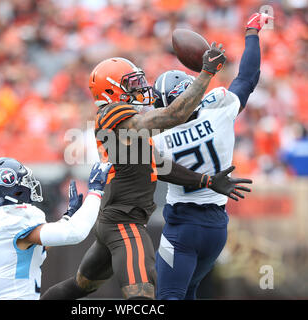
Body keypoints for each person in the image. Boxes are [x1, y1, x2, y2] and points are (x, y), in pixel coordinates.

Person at [41, 43, 252, 300]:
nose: (140, 87)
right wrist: (206, 73)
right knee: (143, 298)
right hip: (125, 223)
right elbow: (174, 114)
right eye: (130, 84)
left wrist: (207, 180)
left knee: (79, 286)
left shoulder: (129, 129)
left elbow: (160, 167)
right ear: (111, 90)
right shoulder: (111, 114)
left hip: (115, 218)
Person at [151, 12, 273, 300]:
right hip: (217, 228)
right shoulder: (218, 110)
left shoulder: (158, 137)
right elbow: (248, 77)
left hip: (181, 229)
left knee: (167, 297)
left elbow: (149, 163)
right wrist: (252, 32)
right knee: (190, 291)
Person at [0, 157, 112, 299]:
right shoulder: (14, 218)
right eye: (24, 181)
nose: (29, 185)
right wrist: (95, 192)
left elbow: (33, 246)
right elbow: (75, 233)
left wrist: (67, 218)